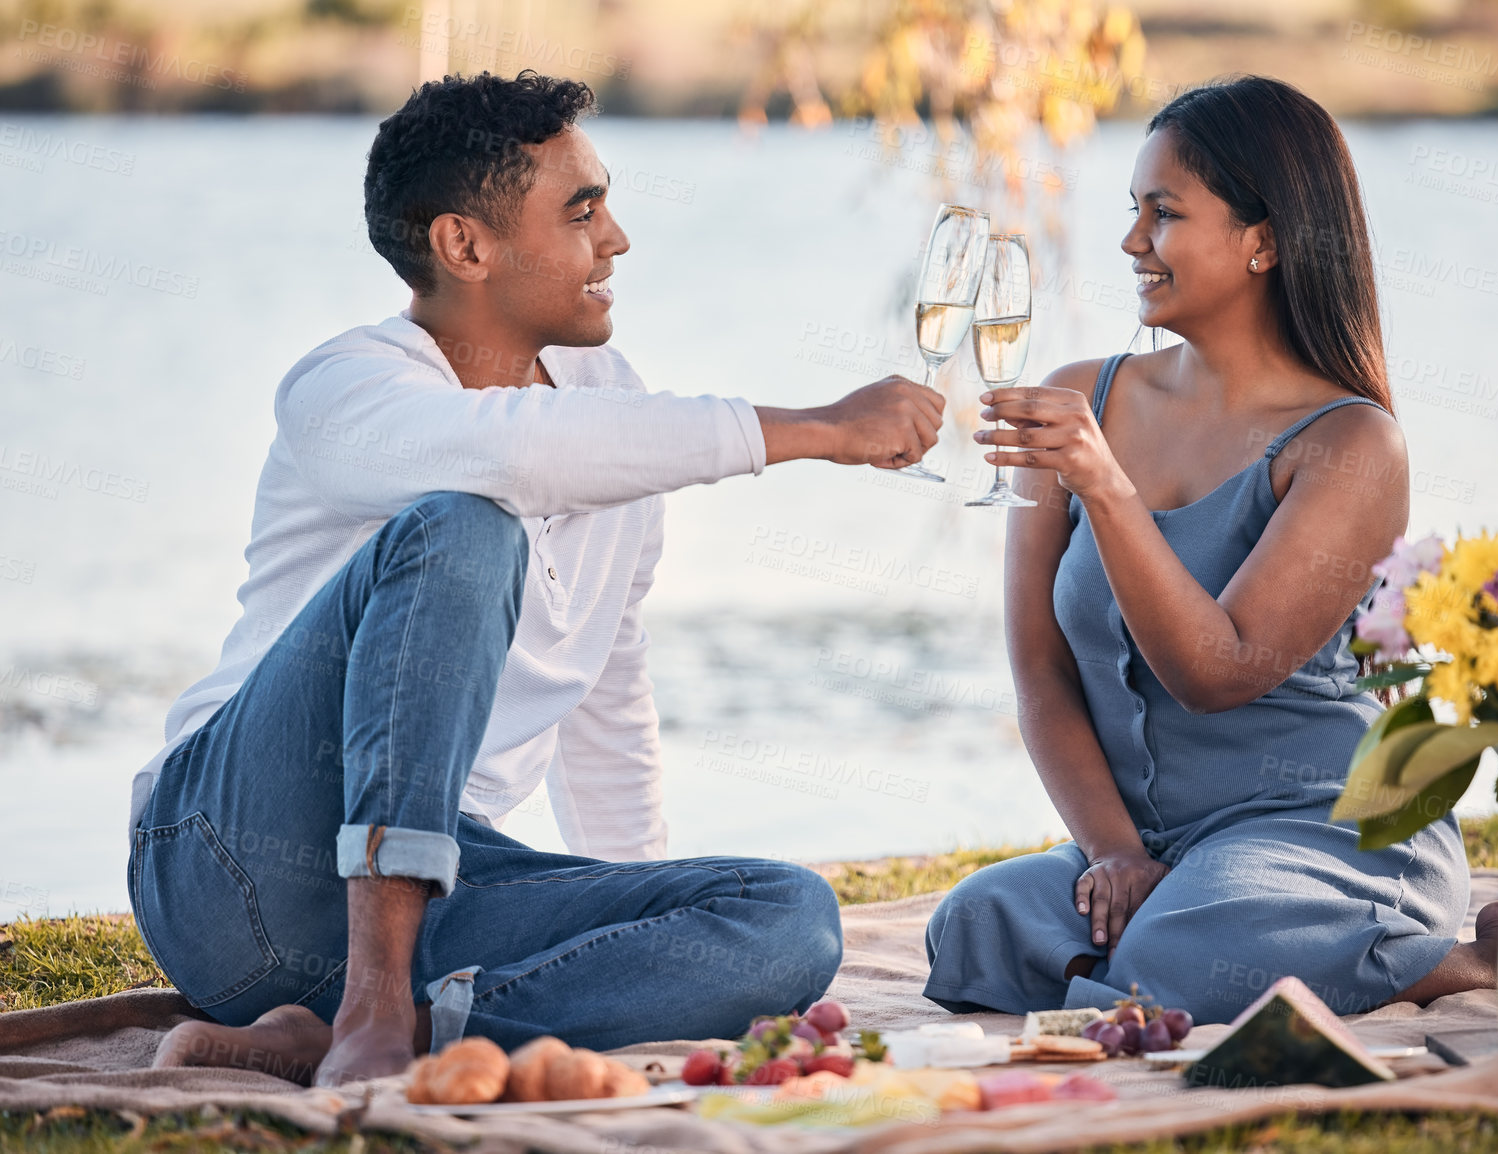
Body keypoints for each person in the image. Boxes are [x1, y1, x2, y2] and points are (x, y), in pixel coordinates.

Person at [137, 70, 945, 1087]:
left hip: (443, 884)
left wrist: (649, 910)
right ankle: (374, 1010)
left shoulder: (612, 407)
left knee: (785, 917)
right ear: (464, 245)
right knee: (463, 528)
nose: (616, 239)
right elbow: (505, 456)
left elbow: (604, 684)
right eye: (582, 210)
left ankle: (406, 1027)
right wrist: (815, 430)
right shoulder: (345, 387)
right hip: (230, 860)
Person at [922, 75, 1498, 1025]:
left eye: (1164, 213)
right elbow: (1038, 667)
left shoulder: (1349, 445)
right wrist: (1112, 853)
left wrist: (1105, 487)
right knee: (973, 926)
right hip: (1160, 842)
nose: (1130, 242)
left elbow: (1216, 672)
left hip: (1314, 828)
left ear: (1262, 239)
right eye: (1132, 212)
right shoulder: (1083, 393)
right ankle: (1152, 954)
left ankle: (1462, 961)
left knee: (1182, 952)